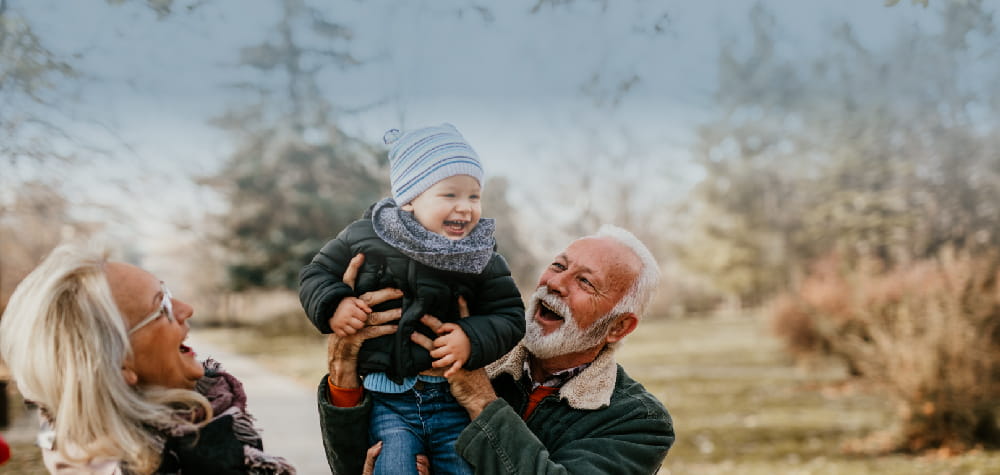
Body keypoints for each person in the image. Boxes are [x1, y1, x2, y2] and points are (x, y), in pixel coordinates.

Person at [318, 224, 675, 474]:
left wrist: (478, 397)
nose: (555, 284)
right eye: (558, 266)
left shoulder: (638, 421)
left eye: (585, 282)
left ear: (618, 326)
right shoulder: (471, 343)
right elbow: (356, 463)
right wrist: (344, 368)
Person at [299, 123, 525, 475]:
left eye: (474, 196)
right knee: (391, 465)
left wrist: (471, 337)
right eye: (450, 195)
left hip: (452, 400)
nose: (465, 208)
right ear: (409, 199)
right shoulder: (366, 235)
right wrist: (335, 303)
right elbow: (316, 274)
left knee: (463, 467)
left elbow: (509, 315)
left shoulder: (481, 256)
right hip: (387, 402)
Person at [0, 244, 295, 474]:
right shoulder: (193, 462)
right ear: (116, 362)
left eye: (167, 292)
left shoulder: (80, 445)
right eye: (162, 306)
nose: (186, 309)